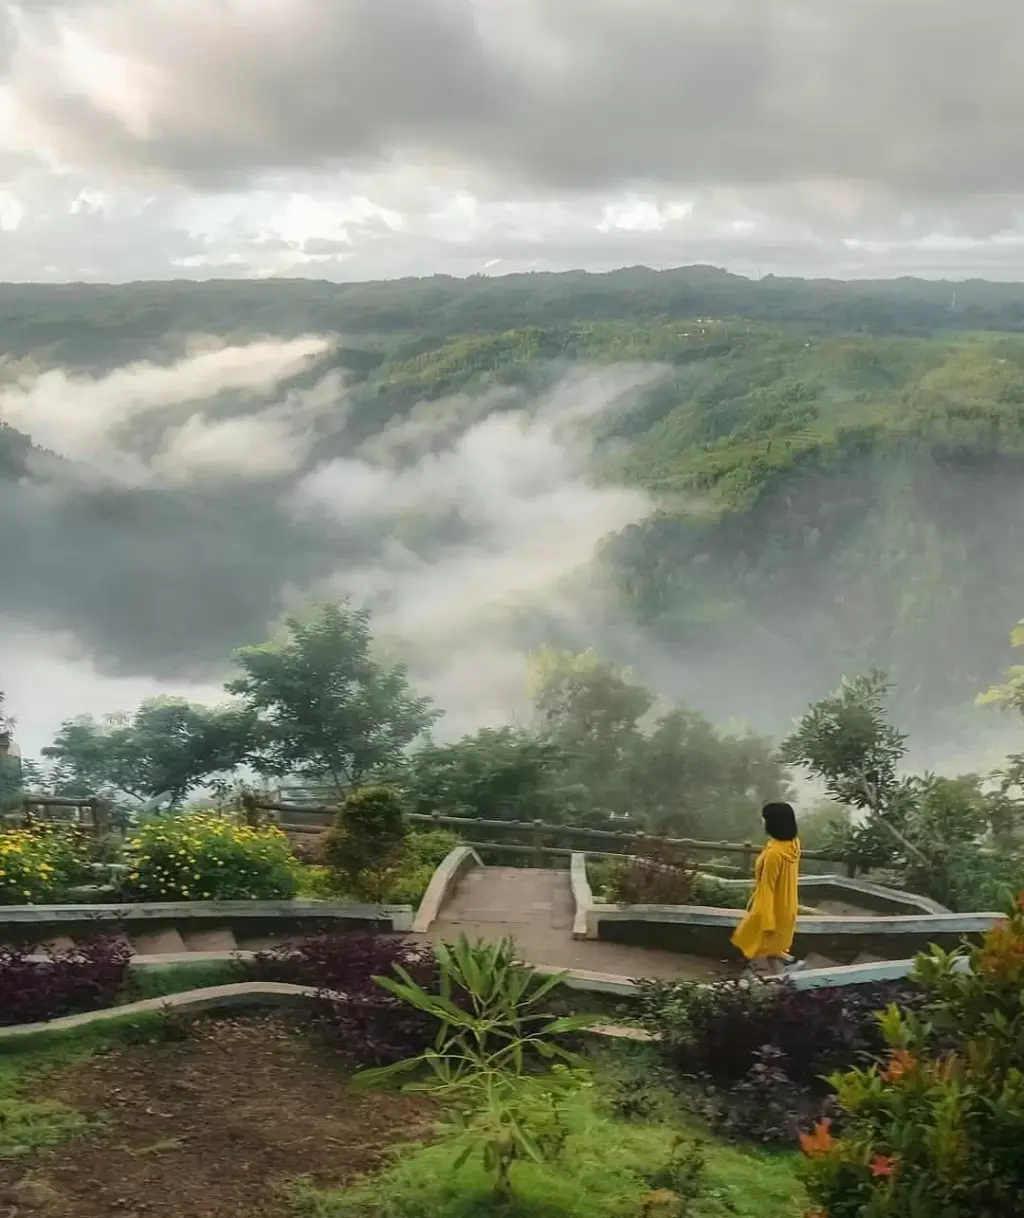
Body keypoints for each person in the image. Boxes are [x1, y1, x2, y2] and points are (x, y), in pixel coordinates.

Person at [731, 801, 802, 976]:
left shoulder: (774, 853)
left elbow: (768, 886)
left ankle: (780, 973)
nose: (763, 822)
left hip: (773, 909)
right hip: (787, 906)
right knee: (770, 948)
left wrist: (766, 918)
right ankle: (784, 974)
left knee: (749, 940)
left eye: (765, 819)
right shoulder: (792, 845)